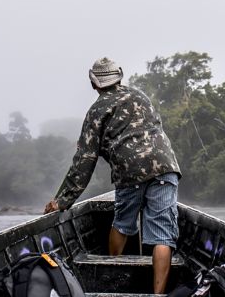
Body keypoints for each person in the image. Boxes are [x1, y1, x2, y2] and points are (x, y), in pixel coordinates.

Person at [43, 57, 181, 295]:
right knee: (163, 236)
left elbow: (84, 160)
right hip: (165, 166)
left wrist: (63, 200)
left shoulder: (97, 110)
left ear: (93, 83)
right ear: (120, 76)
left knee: (122, 224)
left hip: (130, 172)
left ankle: (112, 280)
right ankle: (158, 295)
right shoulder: (140, 96)